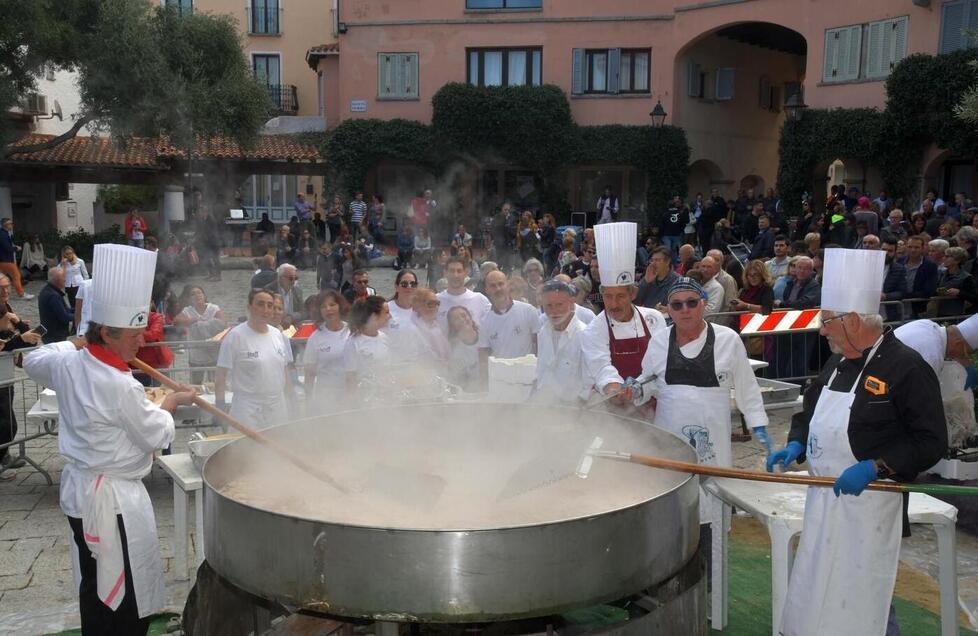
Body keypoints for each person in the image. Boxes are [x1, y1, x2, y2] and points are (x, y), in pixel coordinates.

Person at [767, 248, 947, 636]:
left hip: (871, 504)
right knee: (818, 585)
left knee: (865, 595)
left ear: (851, 319)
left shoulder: (907, 368)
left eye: (827, 320)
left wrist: (877, 466)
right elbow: (809, 412)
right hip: (824, 500)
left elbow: (931, 442)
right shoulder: (837, 361)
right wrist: (797, 443)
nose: (822, 329)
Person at [22, 244, 196, 634]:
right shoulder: (121, 386)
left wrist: (75, 343)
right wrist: (172, 400)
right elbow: (156, 430)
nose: (141, 342)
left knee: (94, 581)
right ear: (106, 332)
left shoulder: (69, 361)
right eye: (134, 335)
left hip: (80, 493)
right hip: (111, 500)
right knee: (122, 594)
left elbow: (33, 359)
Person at [632, 276, 769, 470]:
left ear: (703, 304)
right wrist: (635, 389)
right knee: (674, 486)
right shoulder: (659, 340)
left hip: (713, 430)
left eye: (692, 302)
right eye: (677, 305)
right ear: (669, 309)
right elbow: (649, 381)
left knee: (714, 484)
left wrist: (757, 420)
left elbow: (746, 385)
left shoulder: (728, 339)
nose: (685, 309)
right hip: (670, 430)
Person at [581, 222, 666, 410]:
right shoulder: (594, 329)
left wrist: (640, 389)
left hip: (654, 403)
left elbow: (661, 362)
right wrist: (614, 387)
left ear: (633, 294)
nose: (613, 304)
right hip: (614, 407)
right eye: (608, 296)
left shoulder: (654, 319)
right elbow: (600, 365)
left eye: (620, 296)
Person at [215, 288, 293, 430]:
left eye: (270, 305)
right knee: (249, 450)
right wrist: (220, 405)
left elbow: (284, 370)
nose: (266, 309)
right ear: (249, 307)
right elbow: (221, 375)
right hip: (247, 408)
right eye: (260, 304)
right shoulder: (236, 336)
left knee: (277, 448)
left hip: (277, 405)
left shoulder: (277, 335)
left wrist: (291, 398)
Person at [0, 274, 41, 480]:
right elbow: (4, 344)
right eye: (2, 289)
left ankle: (4, 455)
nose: (6, 293)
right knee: (6, 424)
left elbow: (17, 337)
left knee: (8, 421)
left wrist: (23, 330)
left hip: (5, 372)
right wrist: (17, 338)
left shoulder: (6, 306)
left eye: (7, 288)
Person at [533, 279, 589, 404]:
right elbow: (541, 371)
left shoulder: (584, 334)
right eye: (549, 305)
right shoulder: (543, 332)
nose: (554, 311)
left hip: (573, 409)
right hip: (545, 406)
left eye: (559, 304)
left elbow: (589, 383)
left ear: (571, 302)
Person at [304, 290, 351, 413]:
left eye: (332, 305)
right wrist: (308, 402)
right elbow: (309, 374)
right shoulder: (315, 338)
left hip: (350, 395)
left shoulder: (352, 332)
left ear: (340, 306)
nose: (328, 309)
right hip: (325, 398)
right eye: (323, 306)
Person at [478, 270, 539, 363]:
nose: (498, 288)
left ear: (508, 285)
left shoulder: (528, 311)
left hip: (527, 373)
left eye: (501, 284)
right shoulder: (483, 321)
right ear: (487, 290)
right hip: (500, 374)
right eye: (492, 285)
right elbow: (483, 356)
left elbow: (540, 344)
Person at [173, 286, 226, 384]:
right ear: (189, 299)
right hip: (196, 354)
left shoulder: (213, 308)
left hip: (213, 352)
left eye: (199, 292)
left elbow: (223, 323)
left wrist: (204, 325)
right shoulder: (188, 310)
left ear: (204, 295)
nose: (197, 295)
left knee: (215, 383)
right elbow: (176, 321)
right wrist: (194, 320)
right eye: (193, 294)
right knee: (196, 384)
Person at [343, 295, 392, 396]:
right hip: (364, 398)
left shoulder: (384, 337)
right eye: (386, 312)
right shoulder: (354, 343)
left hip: (385, 395)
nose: (390, 316)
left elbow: (387, 370)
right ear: (374, 316)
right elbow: (350, 378)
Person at [437, 256, 491, 329]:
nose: (455, 275)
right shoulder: (436, 300)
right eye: (452, 271)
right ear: (445, 273)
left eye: (459, 271)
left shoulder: (480, 300)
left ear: (466, 273)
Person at [384, 270, 419, 361]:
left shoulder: (420, 309)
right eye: (404, 284)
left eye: (413, 284)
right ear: (396, 287)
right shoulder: (386, 309)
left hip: (417, 363)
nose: (409, 287)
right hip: (393, 363)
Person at [635, 247, 679, 312]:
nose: (653, 264)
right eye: (652, 260)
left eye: (657, 260)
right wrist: (645, 282)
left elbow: (682, 306)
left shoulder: (677, 281)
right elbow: (636, 302)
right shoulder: (648, 279)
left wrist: (669, 309)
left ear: (667, 262)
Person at [38, 267, 74, 343]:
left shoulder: (48, 290)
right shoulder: (54, 296)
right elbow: (64, 317)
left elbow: (65, 310)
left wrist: (79, 309)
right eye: (63, 277)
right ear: (56, 280)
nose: (65, 279)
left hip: (49, 333)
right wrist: (80, 315)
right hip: (54, 335)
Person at [0, 218, 31, 299]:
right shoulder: (3, 235)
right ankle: (21, 294)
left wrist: (13, 247)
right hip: (6, 260)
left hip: (3, 260)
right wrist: (16, 249)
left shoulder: (4, 233)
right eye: (11, 223)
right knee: (16, 276)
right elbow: (7, 248)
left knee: (2, 277)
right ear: (6, 225)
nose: (12, 225)